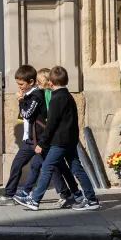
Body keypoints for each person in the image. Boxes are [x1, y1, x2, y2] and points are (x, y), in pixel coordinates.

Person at [14, 66, 100, 211]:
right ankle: (90, 199)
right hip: (71, 140)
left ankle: (34, 200)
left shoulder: (56, 99)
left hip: (59, 141)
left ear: (51, 82)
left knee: (47, 167)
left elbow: (51, 124)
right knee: (76, 168)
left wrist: (42, 143)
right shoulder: (68, 96)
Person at [0, 65, 77, 208]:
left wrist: (20, 100)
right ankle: (10, 194)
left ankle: (67, 195)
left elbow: (27, 113)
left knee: (52, 167)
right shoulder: (30, 95)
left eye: (22, 84)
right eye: (18, 84)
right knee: (20, 164)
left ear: (31, 82)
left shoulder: (37, 95)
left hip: (39, 139)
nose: (20, 87)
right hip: (30, 139)